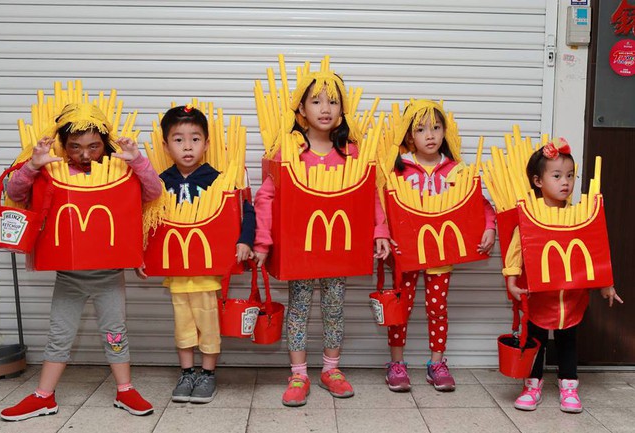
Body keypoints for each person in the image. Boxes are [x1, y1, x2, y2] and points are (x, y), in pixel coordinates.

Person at [1, 103, 162, 421]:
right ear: (64, 145)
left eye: (93, 146)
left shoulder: (119, 170)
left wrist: (138, 161)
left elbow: (154, 191)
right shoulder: (55, 170)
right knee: (59, 334)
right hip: (69, 276)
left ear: (105, 145)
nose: (84, 154)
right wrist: (33, 165)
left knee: (115, 331)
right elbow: (16, 193)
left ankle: (125, 389)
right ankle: (44, 396)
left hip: (109, 274)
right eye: (75, 146)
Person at [253, 70, 391, 407]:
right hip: (298, 251)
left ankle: (331, 369)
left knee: (334, 308)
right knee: (298, 309)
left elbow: (369, 195)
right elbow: (266, 197)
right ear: (301, 109)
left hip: (338, 249)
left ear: (343, 110)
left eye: (332, 101)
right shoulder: (288, 151)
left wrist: (380, 231)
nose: (325, 108)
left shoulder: (352, 153)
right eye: (316, 101)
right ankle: (298, 373)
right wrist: (262, 241)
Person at [140, 104, 255, 404]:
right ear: (165, 146)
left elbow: (246, 210)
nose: (187, 146)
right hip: (177, 274)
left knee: (208, 322)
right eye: (178, 139)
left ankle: (207, 374)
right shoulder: (160, 183)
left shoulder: (219, 179)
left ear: (206, 143)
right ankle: (187, 371)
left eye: (195, 138)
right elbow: (143, 221)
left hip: (208, 274)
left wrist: (244, 240)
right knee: (182, 323)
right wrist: (140, 255)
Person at [384, 100, 496, 393]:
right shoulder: (398, 170)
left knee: (438, 308)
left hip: (440, 253)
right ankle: (396, 364)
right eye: (421, 130)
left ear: (445, 132)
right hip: (405, 254)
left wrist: (489, 226)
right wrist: (384, 234)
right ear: (410, 137)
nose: (430, 135)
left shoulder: (456, 170)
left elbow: (479, 203)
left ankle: (437, 363)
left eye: (435, 128)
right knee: (400, 308)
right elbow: (385, 207)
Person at [503, 138, 622, 413]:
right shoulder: (532, 215)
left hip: (570, 297)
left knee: (568, 341)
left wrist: (606, 284)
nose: (565, 182)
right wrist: (511, 279)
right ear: (537, 180)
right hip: (539, 298)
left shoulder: (580, 215)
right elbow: (517, 247)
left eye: (569, 175)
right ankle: (532, 386)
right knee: (535, 342)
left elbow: (595, 249)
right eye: (556, 176)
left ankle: (569, 388)